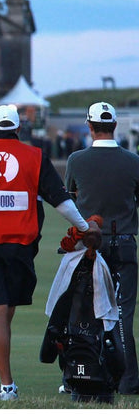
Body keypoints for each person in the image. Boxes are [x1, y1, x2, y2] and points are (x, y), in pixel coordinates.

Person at [0, 104, 101, 401]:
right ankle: (2, 386)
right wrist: (84, 227)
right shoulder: (36, 157)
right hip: (20, 249)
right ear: (18, 129)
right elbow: (61, 202)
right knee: (2, 317)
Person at [65, 101, 139, 394]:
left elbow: (69, 200)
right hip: (123, 244)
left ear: (90, 126)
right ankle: (128, 380)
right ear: (115, 126)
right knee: (123, 315)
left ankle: (84, 376)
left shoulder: (76, 160)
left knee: (85, 315)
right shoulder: (133, 161)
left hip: (88, 247)